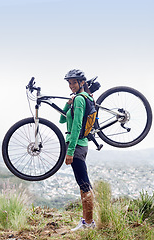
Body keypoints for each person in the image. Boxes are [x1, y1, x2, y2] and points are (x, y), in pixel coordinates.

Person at [59, 69, 95, 231]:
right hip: (79, 144)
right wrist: (67, 104)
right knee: (82, 184)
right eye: (69, 83)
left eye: (74, 82)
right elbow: (62, 119)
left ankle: (88, 224)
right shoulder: (76, 99)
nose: (71, 85)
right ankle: (87, 221)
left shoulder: (80, 99)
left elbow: (77, 126)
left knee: (84, 183)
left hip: (78, 145)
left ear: (82, 83)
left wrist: (70, 151)